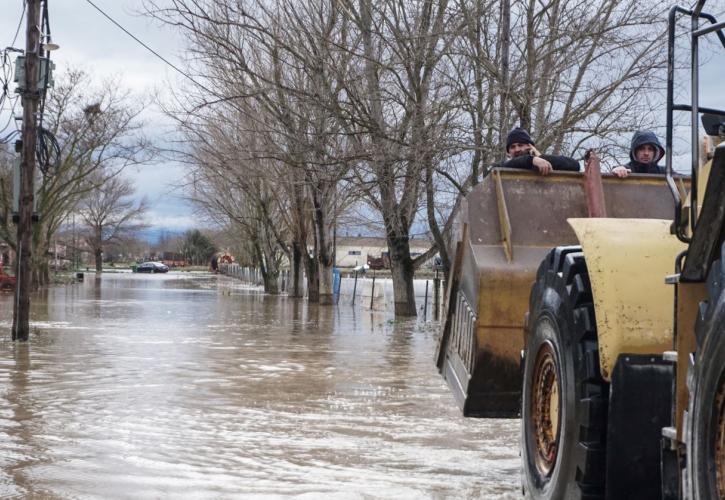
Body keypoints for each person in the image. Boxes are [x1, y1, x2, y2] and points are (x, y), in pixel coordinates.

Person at [496, 127, 580, 175]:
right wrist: (532, 160)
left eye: (520, 145)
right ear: (508, 152)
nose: (517, 149)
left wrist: (540, 158)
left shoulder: (542, 162)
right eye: (512, 147)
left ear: (530, 146)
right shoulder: (503, 167)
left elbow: (575, 165)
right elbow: (494, 169)